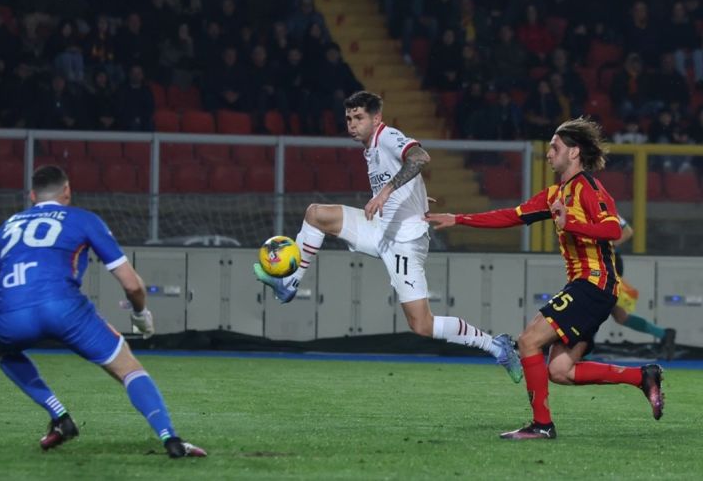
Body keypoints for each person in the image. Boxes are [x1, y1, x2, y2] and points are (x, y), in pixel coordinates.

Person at [0, 165, 206, 459]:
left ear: (32, 195)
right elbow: (132, 285)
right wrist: (140, 315)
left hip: (12, 317)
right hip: (66, 311)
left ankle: (60, 417)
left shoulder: (8, 226)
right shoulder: (84, 220)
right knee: (128, 369)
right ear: (67, 191)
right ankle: (171, 438)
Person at [253, 91, 523, 383]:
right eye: (348, 118)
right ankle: (289, 283)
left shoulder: (387, 136)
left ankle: (496, 346)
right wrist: (414, 197)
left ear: (376, 119)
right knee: (316, 214)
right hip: (380, 228)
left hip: (405, 243)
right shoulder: (370, 148)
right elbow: (405, 172)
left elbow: (419, 157)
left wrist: (386, 192)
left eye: (359, 118)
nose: (352, 124)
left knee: (422, 324)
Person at [425, 117, 664, 440]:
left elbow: (613, 229)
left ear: (574, 152)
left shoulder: (589, 188)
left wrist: (571, 224)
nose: (549, 153)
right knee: (560, 371)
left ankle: (542, 425)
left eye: (555, 147)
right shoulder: (555, 194)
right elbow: (511, 215)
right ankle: (642, 377)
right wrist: (459, 219)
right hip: (584, 285)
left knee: (528, 341)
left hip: (595, 283)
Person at [607, 216, 676, 359]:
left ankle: (585, 355)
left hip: (607, 263)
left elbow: (627, 231)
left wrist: (607, 247)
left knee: (593, 307)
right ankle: (664, 334)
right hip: (598, 263)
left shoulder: (605, 209)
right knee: (619, 315)